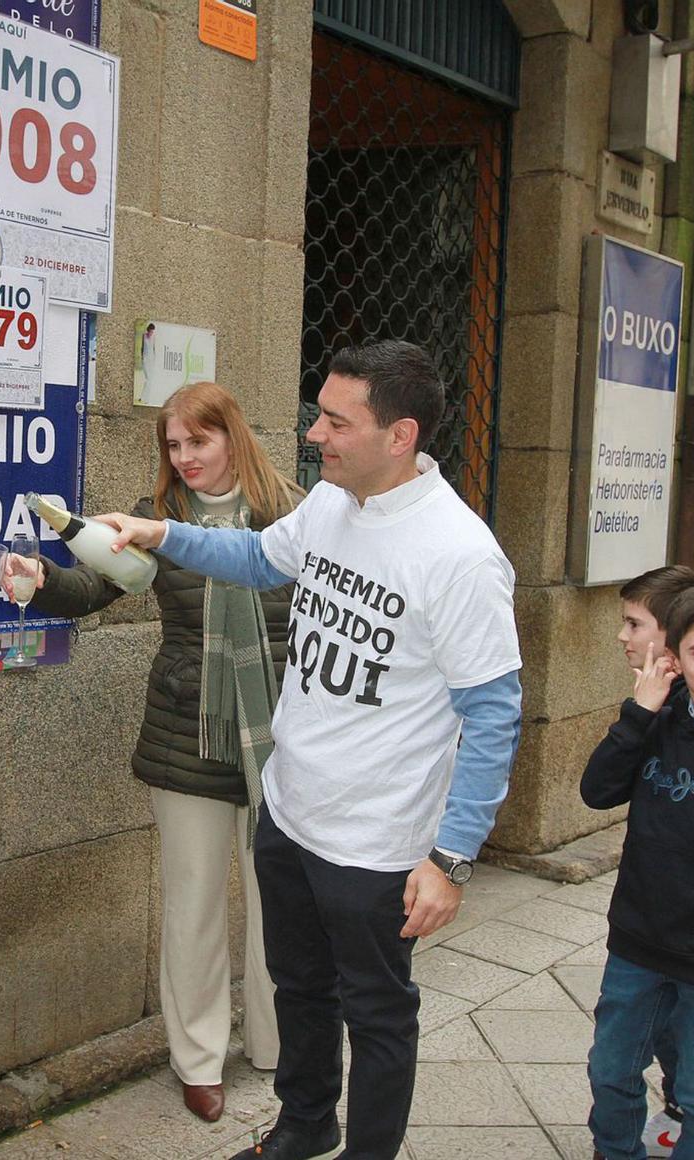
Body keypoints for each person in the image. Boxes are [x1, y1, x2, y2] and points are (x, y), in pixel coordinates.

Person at [98, 340, 522, 1160]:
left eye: (335, 420)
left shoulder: (460, 555)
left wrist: (451, 857)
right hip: (289, 811)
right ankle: (303, 1124)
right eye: (318, 413)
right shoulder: (331, 504)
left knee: (378, 1012)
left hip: (377, 841)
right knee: (300, 989)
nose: (313, 434)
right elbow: (258, 559)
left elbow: (494, 713)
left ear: (399, 436)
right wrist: (161, 532)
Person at [14, 381, 301, 1123]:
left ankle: (278, 1047)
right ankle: (199, 1060)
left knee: (283, 905)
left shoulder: (293, 515)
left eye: (197, 442)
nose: (184, 458)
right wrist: (41, 580)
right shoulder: (156, 519)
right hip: (189, 735)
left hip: (284, 741)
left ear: (231, 437)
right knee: (194, 905)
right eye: (172, 446)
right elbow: (93, 589)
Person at [582, 584, 694, 1160]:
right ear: (675, 658)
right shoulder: (657, 719)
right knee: (611, 1074)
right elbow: (598, 790)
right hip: (636, 943)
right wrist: (640, 712)